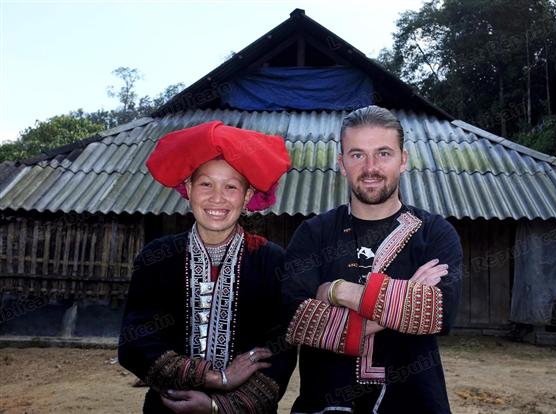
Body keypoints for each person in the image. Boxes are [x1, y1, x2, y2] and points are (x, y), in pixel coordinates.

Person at [283, 106, 462, 413]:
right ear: (341, 163)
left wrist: (337, 291)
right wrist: (404, 300)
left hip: (416, 403)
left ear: (403, 160)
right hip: (324, 404)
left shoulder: (435, 232)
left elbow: (436, 314)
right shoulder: (313, 234)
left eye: (383, 153)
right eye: (357, 155)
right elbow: (298, 321)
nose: (370, 167)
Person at [119, 120, 296, 414]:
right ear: (188, 188)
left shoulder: (271, 260)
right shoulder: (158, 257)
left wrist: (219, 405)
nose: (217, 198)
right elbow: (136, 342)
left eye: (230, 186)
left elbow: (279, 352)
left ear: (247, 195)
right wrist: (216, 378)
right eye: (205, 184)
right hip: (169, 407)